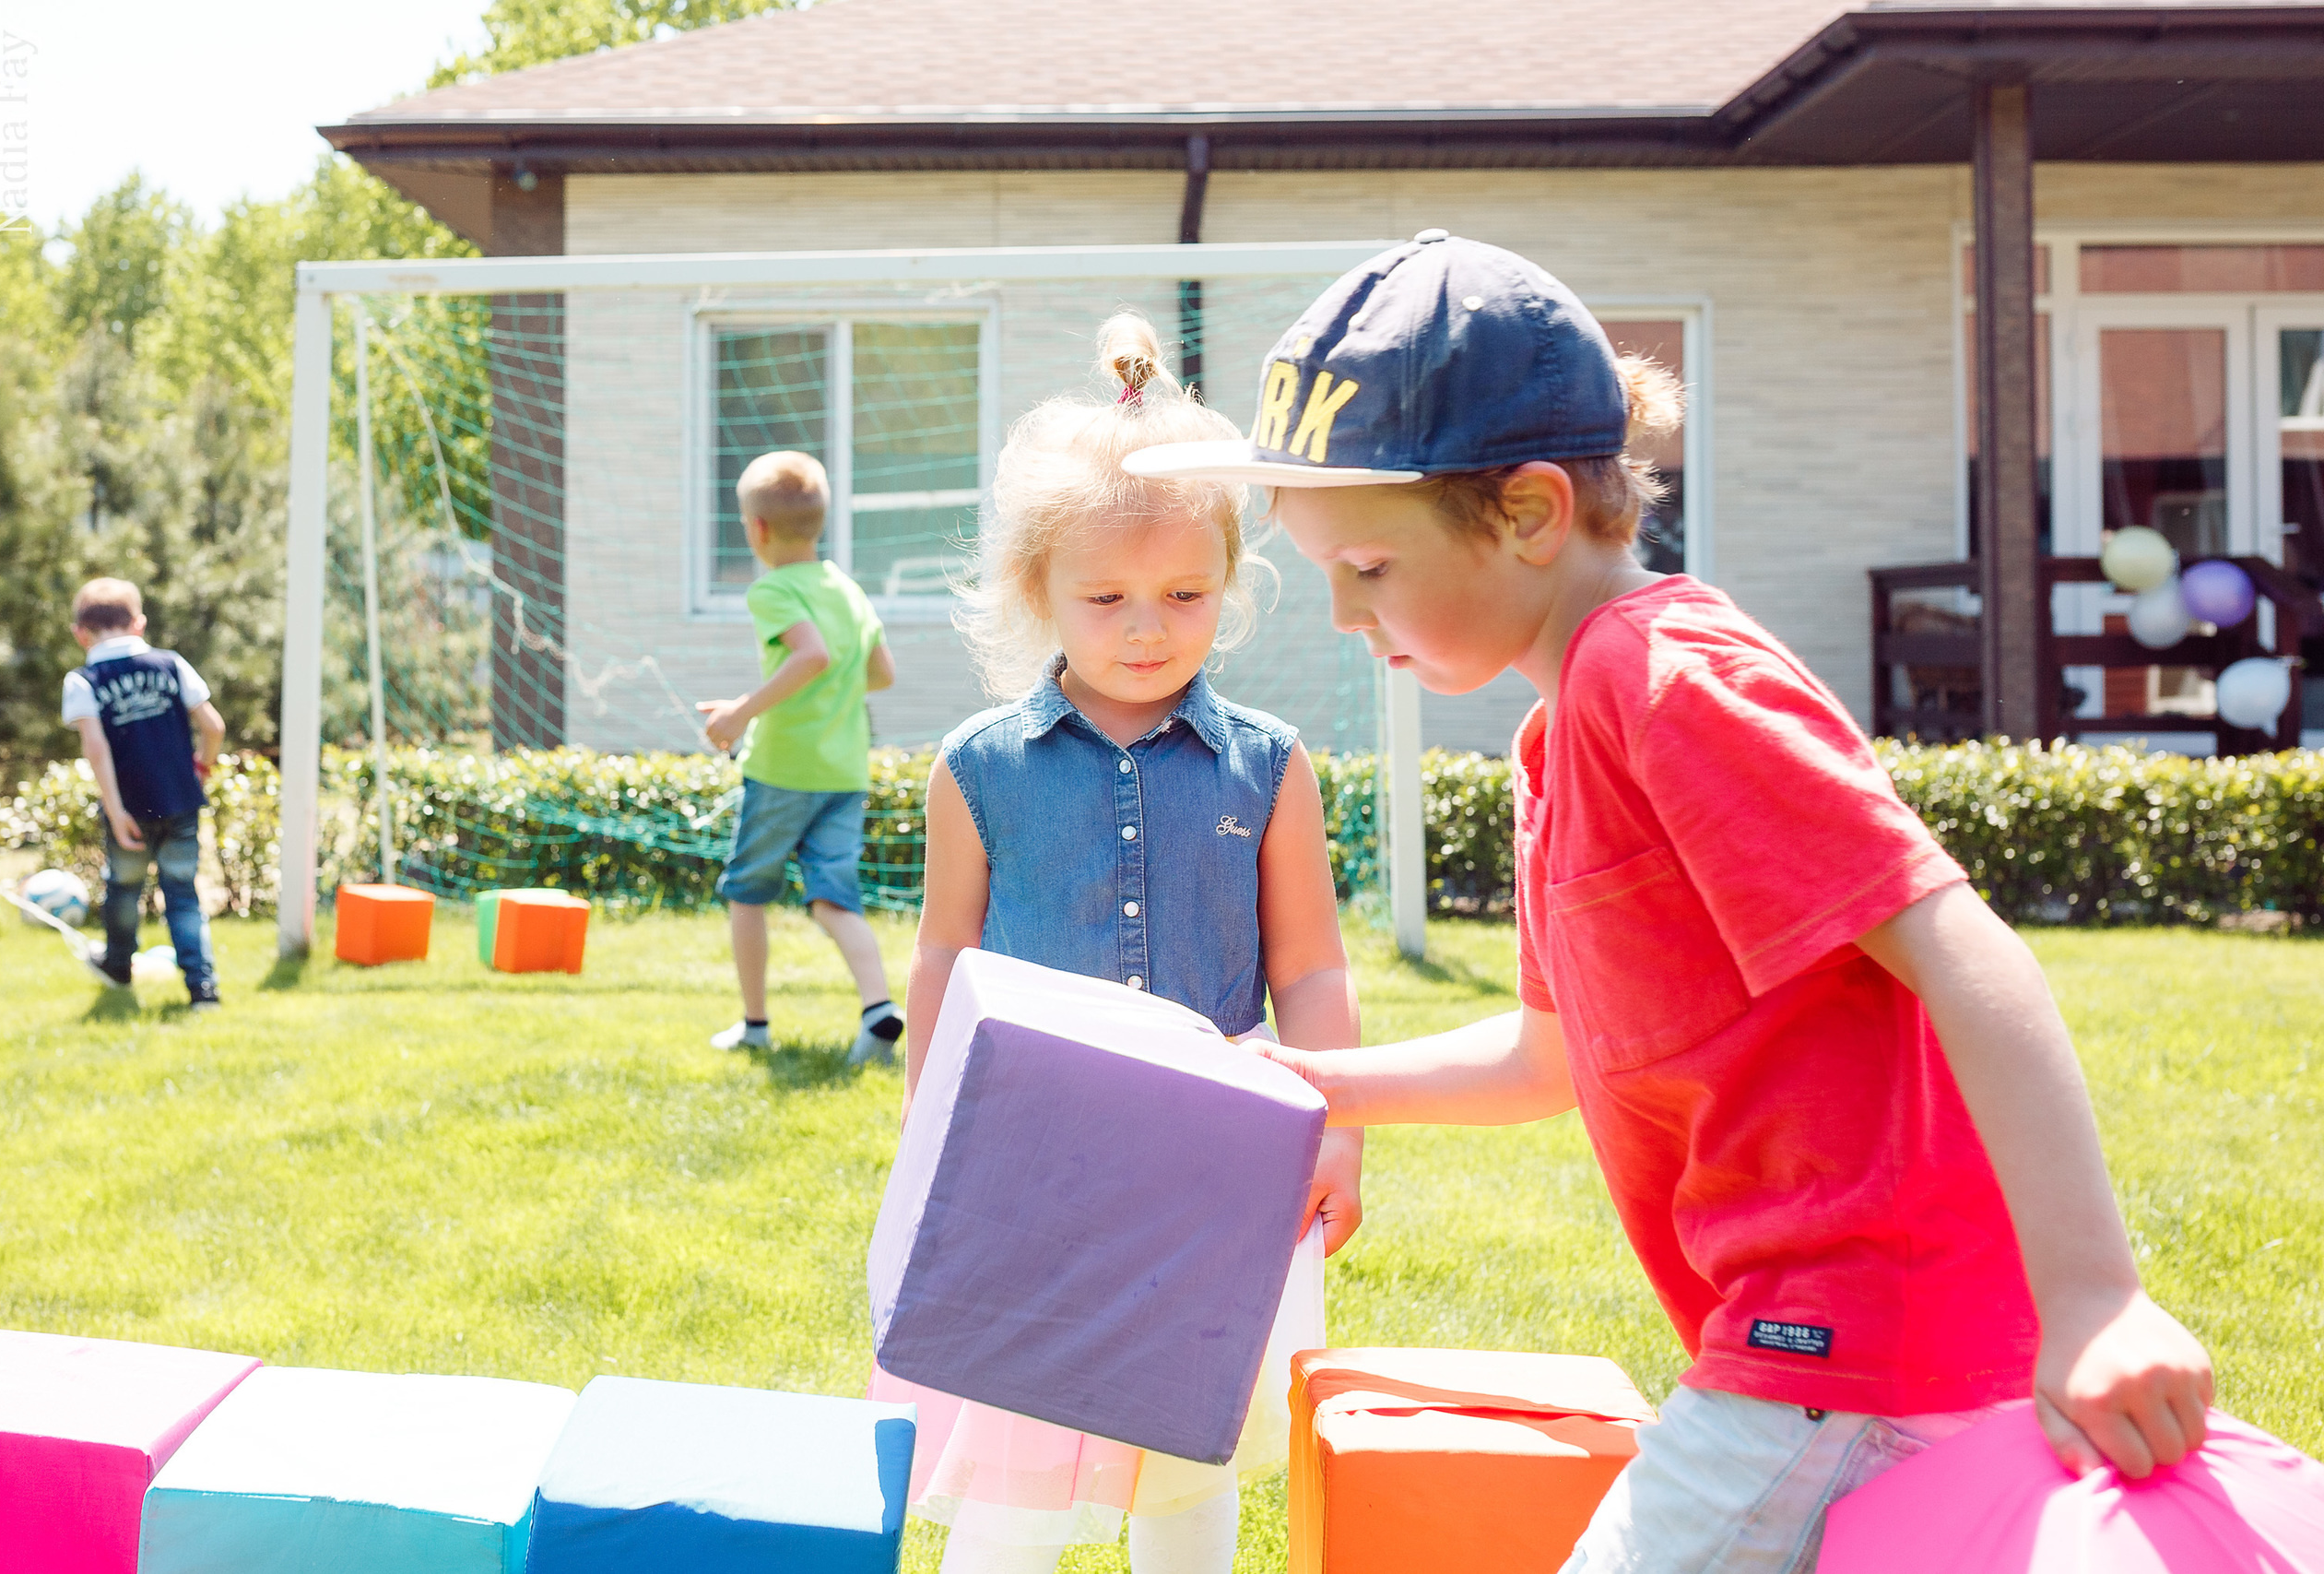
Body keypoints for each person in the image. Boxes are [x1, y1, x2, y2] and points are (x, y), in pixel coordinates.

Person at [1124, 233, 2213, 1573]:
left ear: (1528, 513)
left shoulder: (1665, 684)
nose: (1348, 614)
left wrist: (2097, 1296)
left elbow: (1962, 947)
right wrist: (1308, 1079)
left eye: (1370, 568)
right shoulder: (1564, 731)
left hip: (1841, 1337)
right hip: (1794, 1342)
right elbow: (1550, 1059)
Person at [869, 314, 1364, 1574]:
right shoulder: (976, 767)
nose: (1148, 625)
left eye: (1185, 594)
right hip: (1036, 1148)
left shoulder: (1271, 762)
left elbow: (1310, 965)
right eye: (1106, 597)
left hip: (1221, 1152)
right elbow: (944, 958)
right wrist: (930, 1129)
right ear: (1037, 590)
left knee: (1190, 1445)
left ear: (1230, 588)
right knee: (1023, 1446)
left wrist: (1342, 1129)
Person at [697, 451, 903, 1063]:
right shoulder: (846, 589)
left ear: (757, 529)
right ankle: (877, 1009)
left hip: (783, 770)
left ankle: (754, 1025)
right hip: (843, 771)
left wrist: (741, 713)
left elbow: (809, 656)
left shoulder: (772, 589)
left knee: (747, 891)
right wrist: (826, 695)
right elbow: (881, 674)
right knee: (834, 898)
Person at [62, 577, 225, 1012]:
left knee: (124, 888)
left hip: (129, 808)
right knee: (183, 894)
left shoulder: (84, 680)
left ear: (81, 633)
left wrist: (114, 810)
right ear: (139, 623)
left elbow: (96, 748)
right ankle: (202, 989)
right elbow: (214, 727)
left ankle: (118, 965)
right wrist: (202, 766)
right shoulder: (171, 664)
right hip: (180, 801)